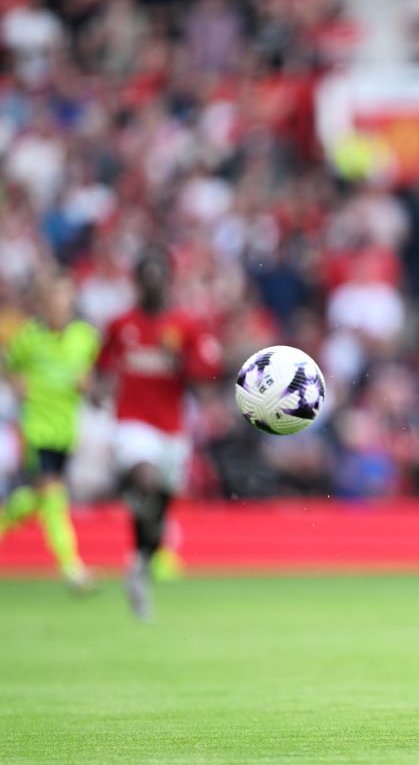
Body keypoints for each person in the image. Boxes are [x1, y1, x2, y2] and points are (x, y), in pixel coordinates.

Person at [97, 247, 222, 620]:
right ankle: (133, 488)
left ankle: (140, 564)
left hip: (172, 429)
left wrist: (181, 363)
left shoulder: (186, 326)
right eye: (146, 278)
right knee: (146, 478)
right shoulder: (120, 324)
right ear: (137, 282)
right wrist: (97, 391)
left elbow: (206, 376)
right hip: (132, 421)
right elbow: (102, 366)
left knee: (160, 509)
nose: (153, 284)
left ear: (169, 280)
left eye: (159, 277)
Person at [0, 274, 99, 591]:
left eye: (64, 298)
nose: (59, 305)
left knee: (40, 497)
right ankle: (71, 567)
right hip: (36, 427)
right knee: (53, 494)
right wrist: (15, 383)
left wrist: (87, 384)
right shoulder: (28, 337)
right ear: (43, 303)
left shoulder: (84, 337)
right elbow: (8, 363)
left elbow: (92, 378)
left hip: (66, 429)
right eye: (53, 298)